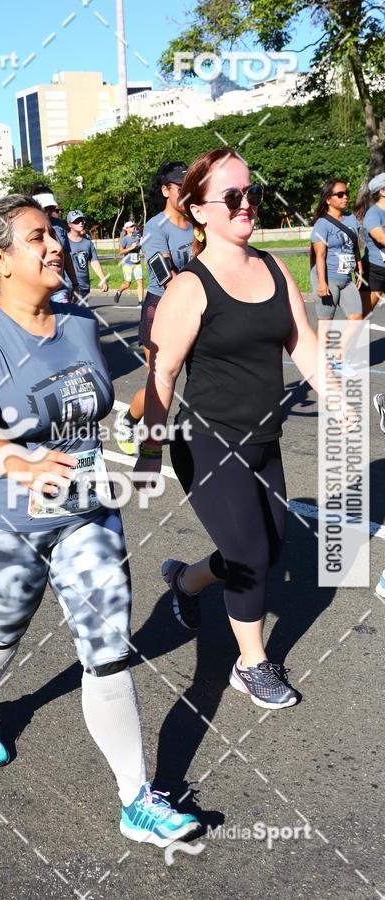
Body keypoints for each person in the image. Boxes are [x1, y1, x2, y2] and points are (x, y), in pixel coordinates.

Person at [0, 194, 200, 846]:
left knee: (109, 654)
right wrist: (18, 463)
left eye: (54, 233)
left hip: (85, 515)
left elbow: (105, 408)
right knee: (2, 633)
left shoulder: (81, 323)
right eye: (37, 237)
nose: (55, 244)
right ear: (0, 259)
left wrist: (154, 404)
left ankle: (137, 799)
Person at [133, 148, 348, 710]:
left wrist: (337, 395)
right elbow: (164, 371)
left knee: (267, 548)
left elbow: (300, 340)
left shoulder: (274, 266)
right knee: (251, 553)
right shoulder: (190, 286)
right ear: (199, 211)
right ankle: (251, 664)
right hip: (207, 443)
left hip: (264, 440)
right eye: (231, 196)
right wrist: (150, 451)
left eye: (250, 192)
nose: (246, 203)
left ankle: (186, 581)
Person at [116, 162, 192, 455]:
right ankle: (130, 420)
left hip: (193, 307)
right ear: (165, 190)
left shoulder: (199, 223)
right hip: (161, 308)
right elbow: (165, 276)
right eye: (180, 187)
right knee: (161, 380)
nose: (187, 193)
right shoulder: (155, 227)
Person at [310, 180, 363, 327]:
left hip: (346, 280)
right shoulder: (322, 224)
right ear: (328, 199)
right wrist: (322, 283)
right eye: (340, 194)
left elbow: (354, 246)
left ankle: (340, 351)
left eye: (346, 193)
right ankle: (318, 351)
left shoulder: (352, 219)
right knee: (326, 325)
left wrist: (360, 268)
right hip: (328, 279)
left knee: (357, 319)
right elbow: (319, 256)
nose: (345, 197)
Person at [32, 189, 79, 302]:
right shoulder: (27, 227)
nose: (49, 211)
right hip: (36, 290)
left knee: (64, 318)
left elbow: (66, 255)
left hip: (59, 289)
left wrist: (75, 283)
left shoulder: (59, 225)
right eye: (45, 208)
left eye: (51, 207)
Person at [356, 172, 385, 316]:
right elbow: (381, 238)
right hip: (376, 270)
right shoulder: (374, 214)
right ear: (382, 191)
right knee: (363, 313)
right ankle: (347, 339)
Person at [66, 209, 108, 298]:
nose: (80, 223)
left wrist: (103, 279)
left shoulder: (87, 242)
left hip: (84, 286)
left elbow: (94, 261)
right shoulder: (64, 241)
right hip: (68, 286)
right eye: (76, 221)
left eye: (82, 220)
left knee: (81, 311)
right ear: (69, 224)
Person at [114, 221, 144, 305]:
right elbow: (120, 252)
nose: (133, 227)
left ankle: (141, 301)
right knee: (127, 284)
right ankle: (119, 292)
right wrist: (131, 247)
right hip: (128, 264)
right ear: (126, 229)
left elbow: (142, 248)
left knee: (140, 281)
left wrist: (142, 243)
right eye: (131, 226)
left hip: (137, 264)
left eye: (133, 226)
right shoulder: (125, 239)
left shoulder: (138, 238)